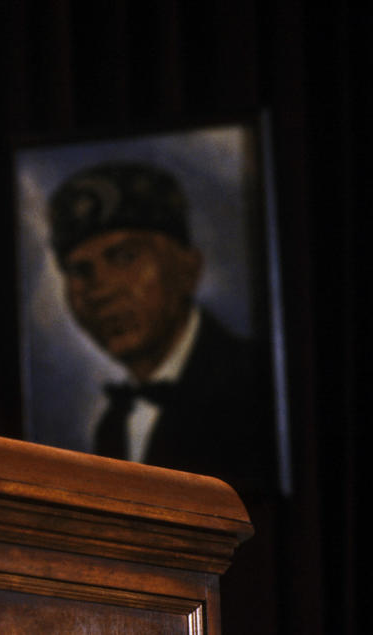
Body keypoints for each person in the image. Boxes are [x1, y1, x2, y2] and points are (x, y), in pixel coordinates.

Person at [48, 161, 279, 631]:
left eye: (125, 256)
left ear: (188, 266)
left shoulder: (250, 384)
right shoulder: (114, 421)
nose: (101, 290)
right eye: (80, 270)